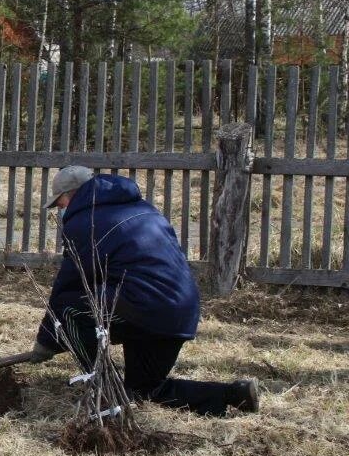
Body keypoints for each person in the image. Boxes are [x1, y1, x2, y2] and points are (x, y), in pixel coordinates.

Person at [30, 165, 260, 416]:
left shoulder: (85, 222)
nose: (61, 210)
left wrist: (46, 341)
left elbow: (68, 285)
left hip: (143, 307)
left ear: (72, 194)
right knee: (144, 389)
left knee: (69, 310)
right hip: (178, 309)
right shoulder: (145, 209)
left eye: (60, 203)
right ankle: (234, 395)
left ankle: (104, 387)